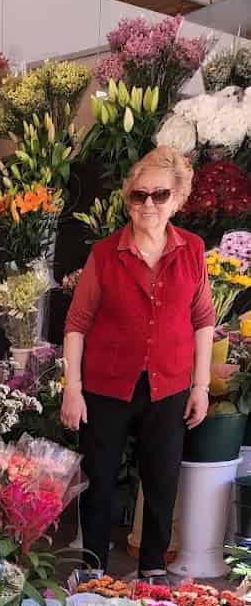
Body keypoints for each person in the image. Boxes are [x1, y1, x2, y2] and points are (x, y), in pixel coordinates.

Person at [60, 147, 215, 579]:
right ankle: (93, 570)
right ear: (128, 198)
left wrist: (200, 387)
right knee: (99, 482)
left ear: (177, 199)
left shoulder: (193, 250)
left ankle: (151, 570)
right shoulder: (105, 254)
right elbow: (76, 323)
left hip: (169, 385)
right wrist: (72, 388)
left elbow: (203, 319)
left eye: (160, 195)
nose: (148, 204)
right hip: (106, 385)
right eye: (138, 195)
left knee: (162, 482)